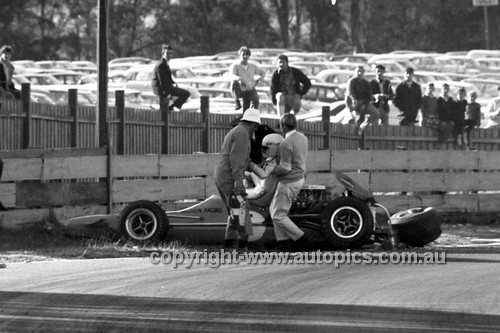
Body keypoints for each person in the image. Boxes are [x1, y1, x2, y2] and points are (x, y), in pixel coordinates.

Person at [214, 108, 261, 251]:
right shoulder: (242, 135)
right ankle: (243, 245)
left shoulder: (236, 131)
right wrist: (238, 181)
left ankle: (229, 244)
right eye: (256, 127)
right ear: (252, 124)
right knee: (242, 208)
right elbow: (236, 161)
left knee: (234, 210)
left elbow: (237, 159)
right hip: (230, 176)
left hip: (222, 174)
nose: (255, 130)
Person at [269, 113, 311, 252]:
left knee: (278, 215)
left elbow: (285, 168)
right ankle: (283, 242)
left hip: (288, 181)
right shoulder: (303, 137)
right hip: (299, 178)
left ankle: (301, 239)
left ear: (284, 126)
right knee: (273, 209)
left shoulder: (285, 143)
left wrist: (271, 169)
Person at [245, 133, 283, 204]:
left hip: (261, 193)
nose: (264, 151)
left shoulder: (272, 163)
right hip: (264, 188)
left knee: (235, 193)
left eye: (266, 148)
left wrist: (250, 165)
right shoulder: (277, 160)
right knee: (248, 174)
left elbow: (263, 175)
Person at [151, 44, 190, 112]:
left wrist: (173, 84)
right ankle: (171, 108)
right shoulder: (161, 64)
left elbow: (167, 78)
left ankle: (170, 108)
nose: (169, 55)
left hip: (166, 87)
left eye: (171, 53)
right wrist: (166, 92)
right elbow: (161, 80)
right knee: (186, 93)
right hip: (163, 88)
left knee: (164, 109)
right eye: (167, 53)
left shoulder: (165, 63)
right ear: (163, 53)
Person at [229, 46, 266, 111]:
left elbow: (262, 72)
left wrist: (260, 79)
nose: (245, 56)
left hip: (249, 88)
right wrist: (239, 79)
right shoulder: (235, 65)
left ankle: (251, 114)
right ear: (240, 55)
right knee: (233, 83)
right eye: (243, 54)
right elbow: (231, 75)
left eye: (247, 55)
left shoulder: (252, 66)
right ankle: (237, 102)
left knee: (255, 101)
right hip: (240, 89)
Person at [345, 65, 379, 135]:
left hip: (363, 102)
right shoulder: (352, 81)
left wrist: (364, 105)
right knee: (353, 118)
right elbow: (350, 92)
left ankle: (362, 127)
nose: (360, 73)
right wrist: (354, 100)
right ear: (355, 72)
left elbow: (369, 96)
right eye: (358, 71)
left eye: (361, 71)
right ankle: (351, 128)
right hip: (352, 102)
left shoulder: (366, 83)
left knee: (375, 114)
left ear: (364, 73)